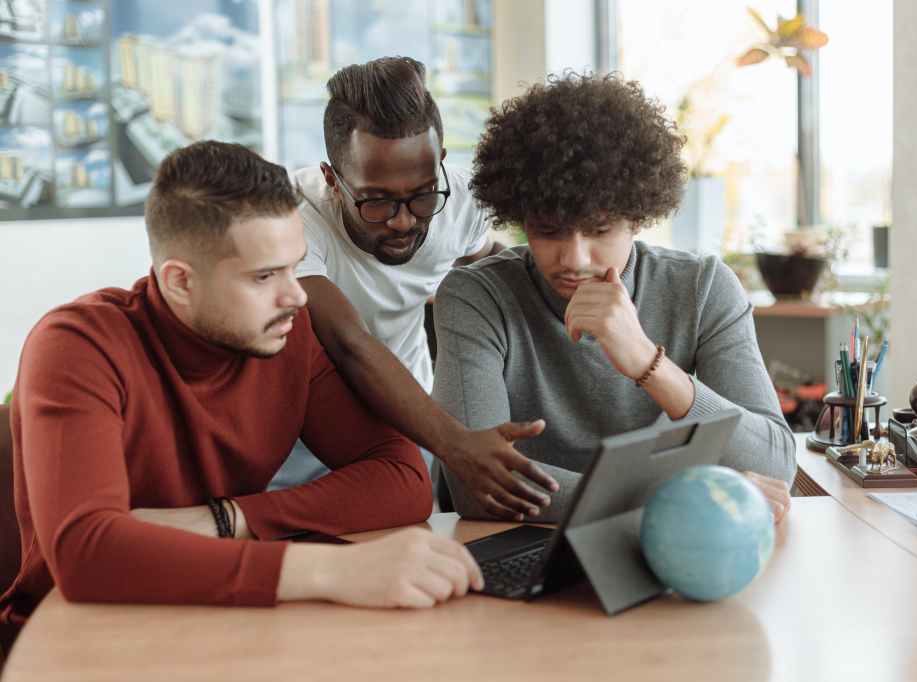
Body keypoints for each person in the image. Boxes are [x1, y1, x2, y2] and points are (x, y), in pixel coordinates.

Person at [0, 141, 483, 645]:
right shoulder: (76, 346)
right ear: (180, 282)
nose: (296, 296)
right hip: (75, 640)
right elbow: (87, 555)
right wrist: (331, 571)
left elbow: (402, 477)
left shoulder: (287, 333)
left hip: (221, 625)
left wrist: (228, 519)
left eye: (295, 267)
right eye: (265, 276)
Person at [432, 73, 795, 523]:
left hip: (670, 550)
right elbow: (476, 488)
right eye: (547, 230)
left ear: (638, 217)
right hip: (531, 550)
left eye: (600, 230)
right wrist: (680, 498)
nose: (573, 257)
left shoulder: (702, 288)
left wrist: (646, 362)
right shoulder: (476, 297)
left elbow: (775, 467)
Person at [275, 56, 558, 520]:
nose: (404, 220)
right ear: (332, 180)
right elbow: (349, 343)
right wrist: (457, 445)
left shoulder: (458, 201)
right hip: (300, 442)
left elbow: (490, 259)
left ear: (440, 165)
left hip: (410, 429)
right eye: (377, 201)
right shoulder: (290, 215)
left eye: (423, 194)